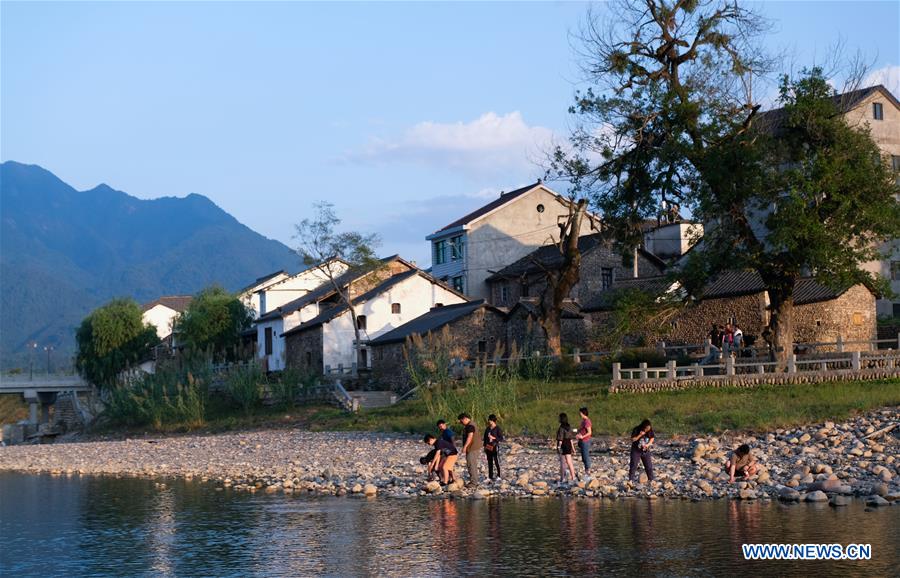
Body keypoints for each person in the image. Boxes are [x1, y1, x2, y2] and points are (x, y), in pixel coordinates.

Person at [458, 413, 481, 488]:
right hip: (473, 448)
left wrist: (465, 447)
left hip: (472, 448)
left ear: (465, 418)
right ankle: (474, 481)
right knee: (471, 464)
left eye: (461, 421)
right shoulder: (471, 424)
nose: (461, 423)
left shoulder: (470, 426)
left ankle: (474, 483)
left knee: (471, 465)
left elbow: (469, 437)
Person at [629, 419, 654, 483]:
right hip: (636, 451)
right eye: (646, 428)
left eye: (649, 428)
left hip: (645, 450)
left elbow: (652, 438)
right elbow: (632, 439)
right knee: (633, 465)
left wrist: (648, 445)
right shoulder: (636, 429)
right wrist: (639, 435)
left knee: (649, 466)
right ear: (643, 427)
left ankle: (651, 480)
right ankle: (630, 480)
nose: (647, 430)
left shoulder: (650, 430)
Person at [556, 413, 577, 483]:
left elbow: (560, 439)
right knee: (569, 462)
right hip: (568, 444)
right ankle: (573, 477)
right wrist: (573, 449)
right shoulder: (569, 427)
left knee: (563, 463)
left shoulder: (561, 428)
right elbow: (571, 439)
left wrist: (559, 447)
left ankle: (562, 478)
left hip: (563, 444)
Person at [483, 414, 504, 481]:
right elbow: (485, 438)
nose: (489, 421)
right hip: (488, 446)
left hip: (495, 446)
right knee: (489, 461)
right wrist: (484, 446)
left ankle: (499, 475)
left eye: (490, 420)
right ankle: (490, 476)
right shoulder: (487, 428)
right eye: (489, 420)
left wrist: (494, 438)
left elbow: (501, 438)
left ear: (493, 421)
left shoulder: (498, 428)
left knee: (496, 461)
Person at [575, 407, 592, 475]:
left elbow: (589, 432)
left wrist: (582, 436)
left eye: (580, 413)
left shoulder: (587, 421)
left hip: (585, 441)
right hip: (581, 441)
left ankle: (588, 470)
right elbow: (581, 430)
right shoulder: (583, 421)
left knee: (585, 456)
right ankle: (586, 469)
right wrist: (576, 432)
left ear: (583, 413)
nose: (579, 414)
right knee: (583, 456)